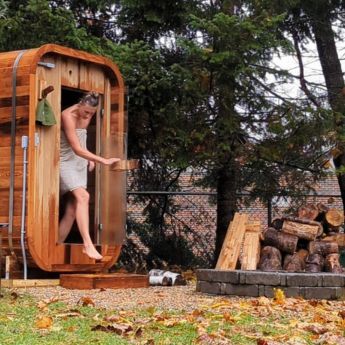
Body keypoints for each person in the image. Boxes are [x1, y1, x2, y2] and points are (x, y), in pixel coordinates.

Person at [59, 92, 120, 260]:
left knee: (72, 209)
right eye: (86, 112)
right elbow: (75, 147)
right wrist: (103, 160)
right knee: (84, 197)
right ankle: (88, 244)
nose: (88, 116)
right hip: (65, 161)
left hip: (79, 162)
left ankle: (56, 246)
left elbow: (81, 140)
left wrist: (89, 159)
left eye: (91, 113)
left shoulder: (89, 113)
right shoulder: (67, 115)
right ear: (79, 104)